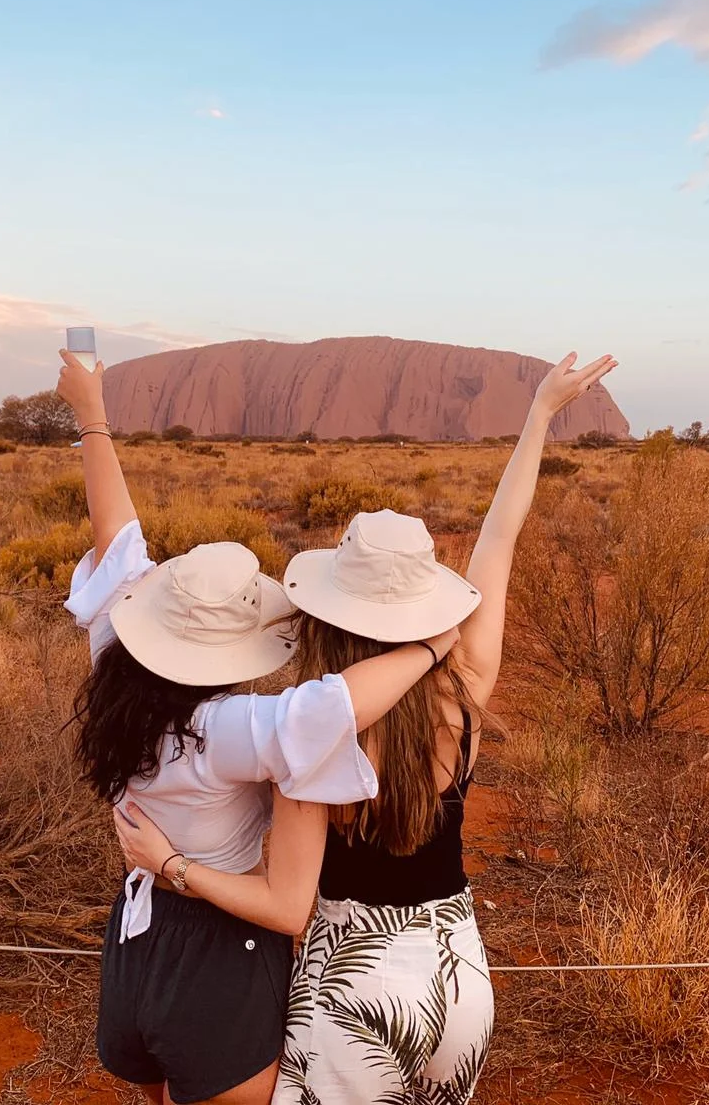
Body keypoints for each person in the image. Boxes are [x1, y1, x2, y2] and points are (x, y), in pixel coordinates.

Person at [116, 352, 618, 1105]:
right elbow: (499, 541)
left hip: (354, 993)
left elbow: (284, 902)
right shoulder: (466, 686)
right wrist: (539, 414)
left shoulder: (315, 740)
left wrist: (173, 867)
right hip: (457, 978)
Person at [55, 350, 462, 1105]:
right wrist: (429, 643)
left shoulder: (113, 662)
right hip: (219, 950)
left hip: (135, 942)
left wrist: (92, 417)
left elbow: (115, 537)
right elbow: (331, 708)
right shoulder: (227, 730)